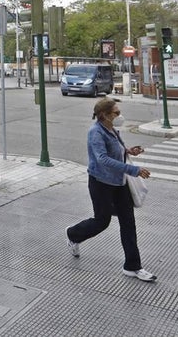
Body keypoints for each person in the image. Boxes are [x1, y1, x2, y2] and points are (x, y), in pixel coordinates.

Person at [65, 97, 156, 282]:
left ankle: (132, 266)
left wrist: (129, 151)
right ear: (104, 115)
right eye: (116, 112)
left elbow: (117, 150)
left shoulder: (111, 129)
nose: (120, 115)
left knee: (128, 223)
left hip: (119, 183)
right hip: (101, 183)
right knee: (102, 221)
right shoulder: (95, 133)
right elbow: (103, 159)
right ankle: (73, 234)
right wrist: (134, 170)